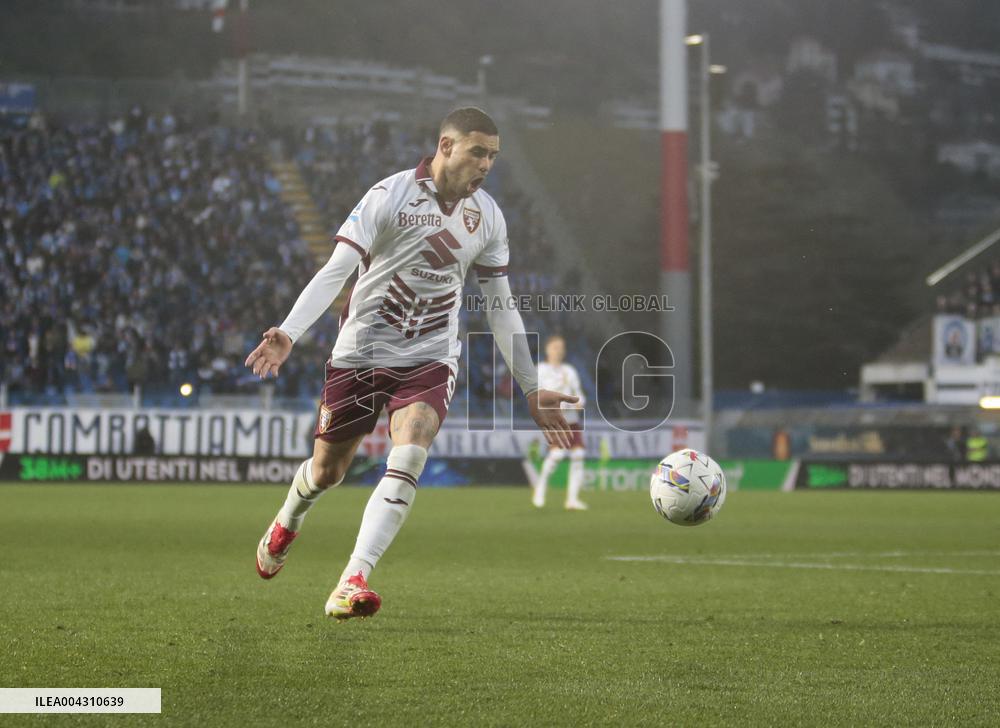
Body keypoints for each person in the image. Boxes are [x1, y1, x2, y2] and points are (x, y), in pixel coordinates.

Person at [244, 107, 577, 620]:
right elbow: (337, 269)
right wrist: (289, 332)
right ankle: (289, 517)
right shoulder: (389, 195)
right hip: (361, 353)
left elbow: (500, 305)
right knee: (327, 472)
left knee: (413, 445)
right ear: (445, 146)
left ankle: (353, 578)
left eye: (493, 156)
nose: (486, 165)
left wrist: (530, 387)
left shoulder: (488, 216)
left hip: (430, 357)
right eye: (477, 152)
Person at [531, 334, 588, 510]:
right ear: (547, 349)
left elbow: (579, 393)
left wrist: (579, 402)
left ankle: (572, 500)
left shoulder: (569, 371)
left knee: (578, 455)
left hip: (572, 419)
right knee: (557, 455)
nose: (559, 351)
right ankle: (540, 488)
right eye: (555, 347)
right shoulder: (540, 370)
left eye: (561, 348)